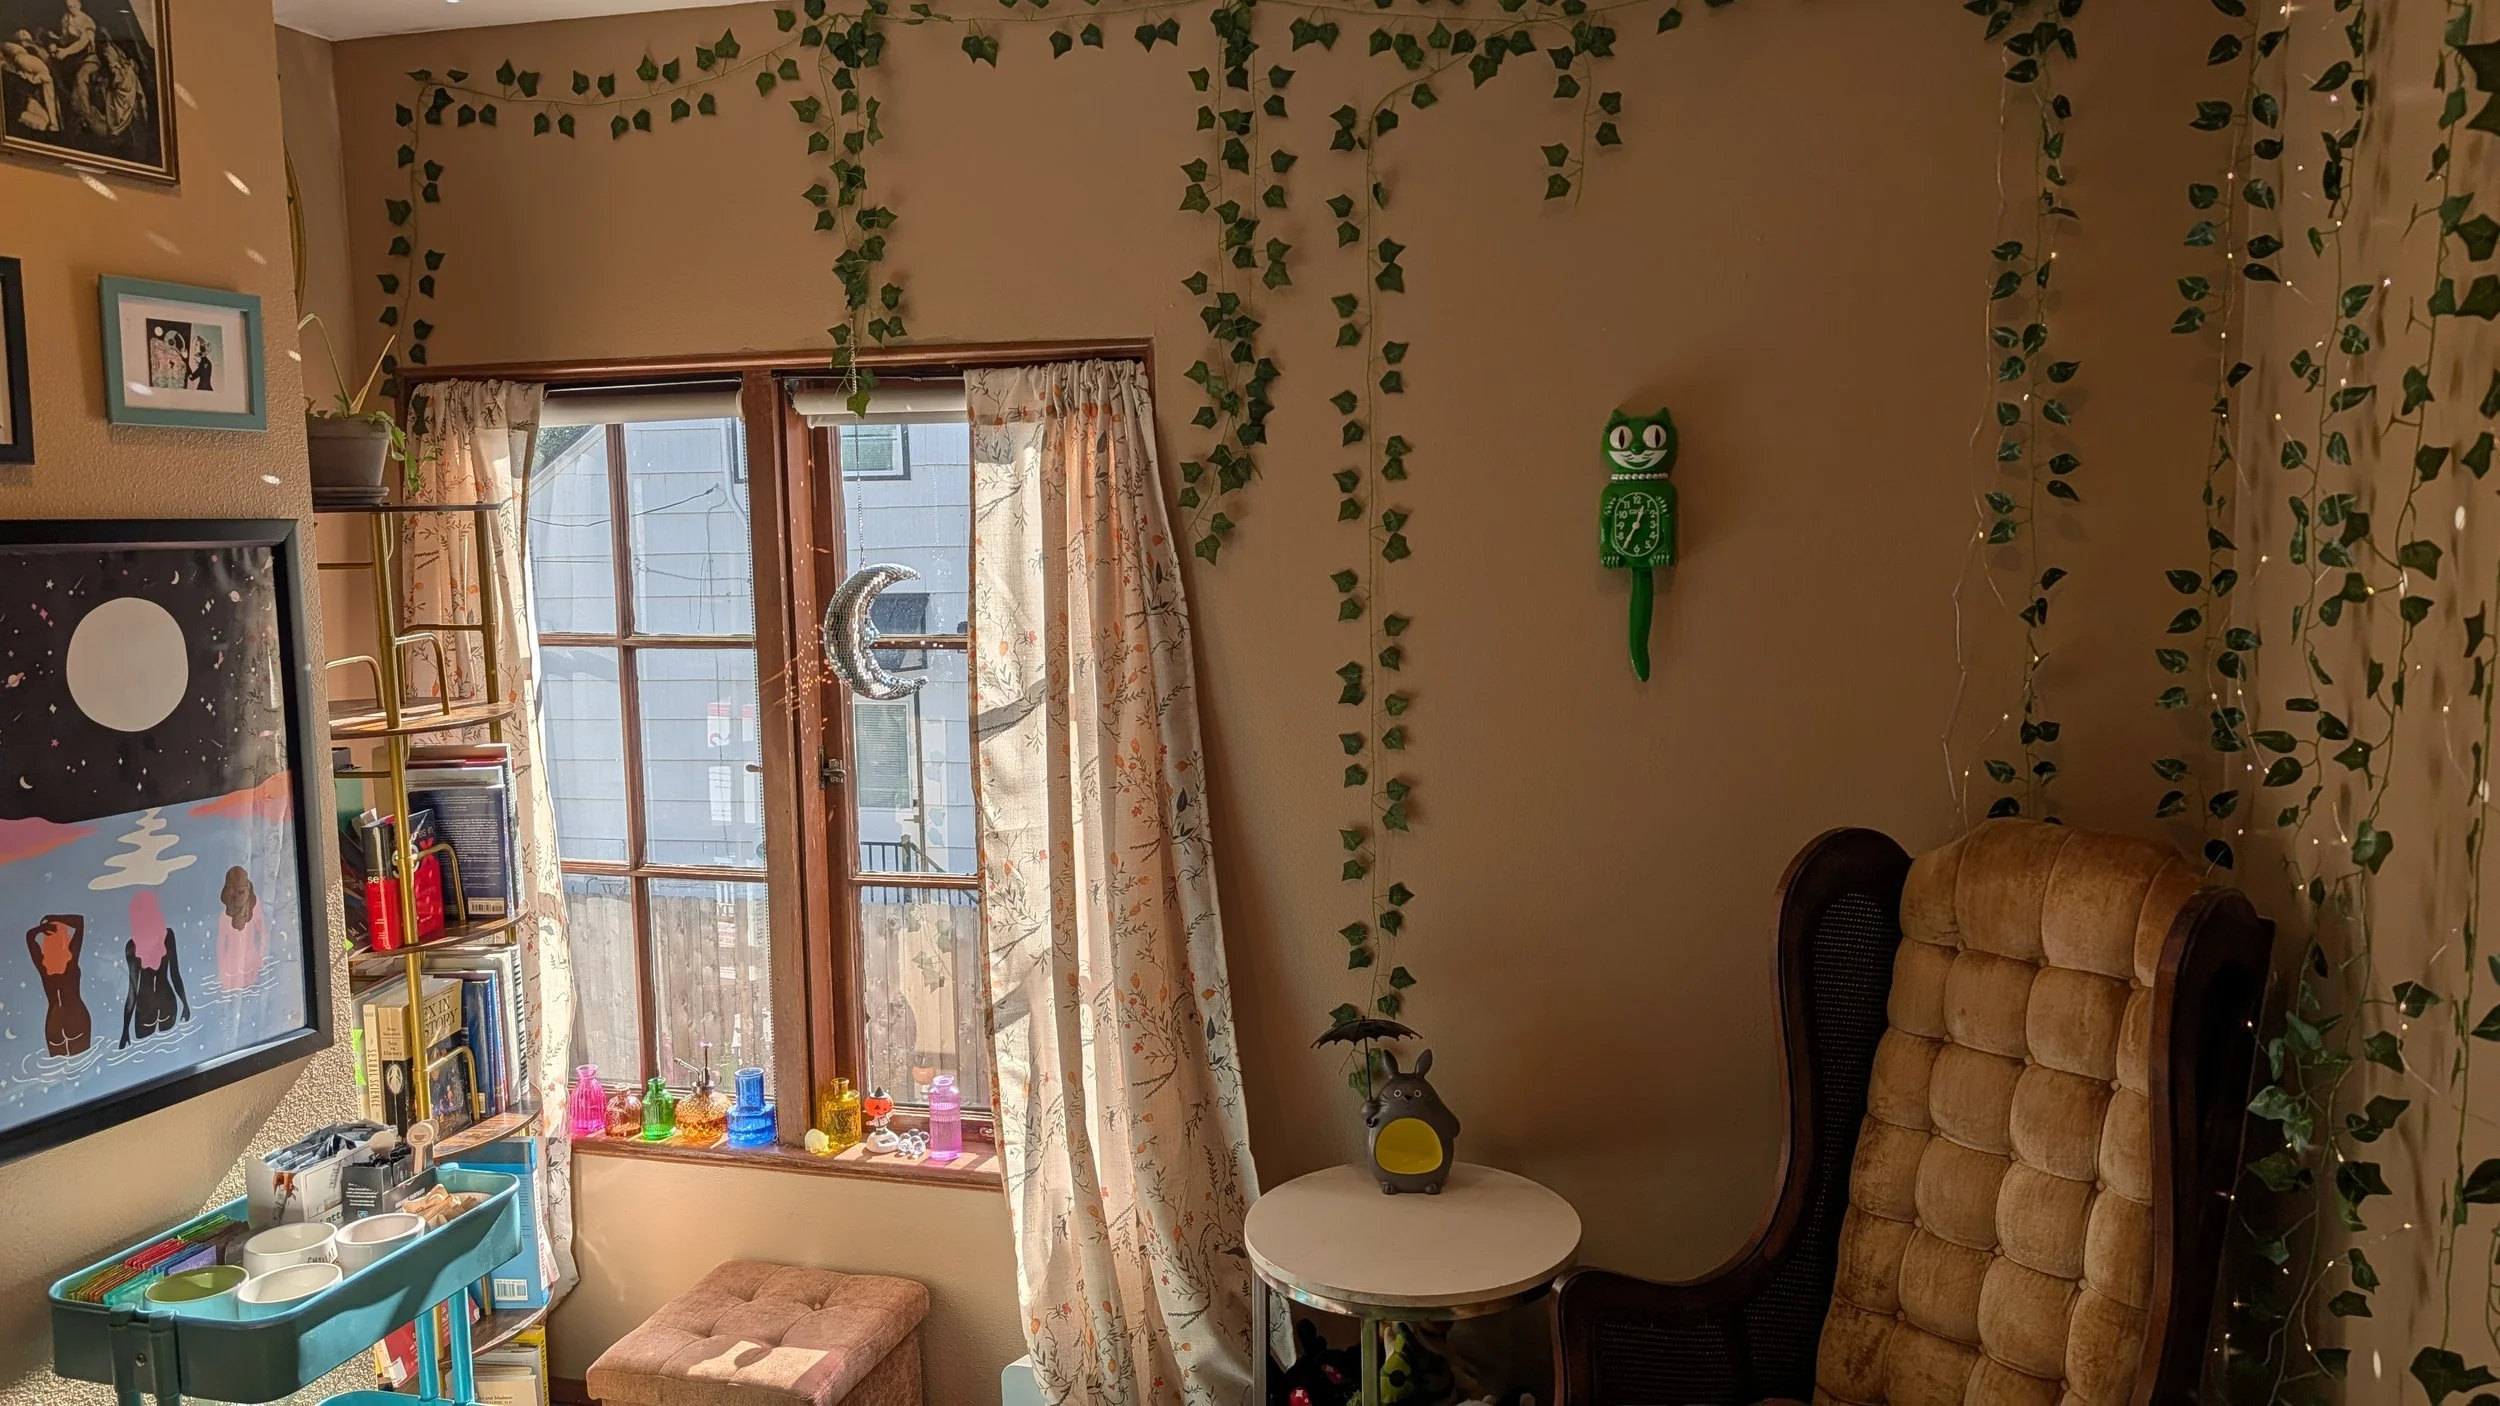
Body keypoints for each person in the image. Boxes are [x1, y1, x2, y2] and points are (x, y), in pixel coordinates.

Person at [120, 889, 189, 1048]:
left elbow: (133, 991)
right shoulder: (167, 936)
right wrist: (185, 1003)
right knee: (171, 1053)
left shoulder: (133, 946)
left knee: (149, 1058)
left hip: (146, 1010)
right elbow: (175, 975)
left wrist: (125, 1030)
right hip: (167, 1004)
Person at [25, 914, 92, 1058]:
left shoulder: (44, 967)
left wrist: (43, 928)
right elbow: (79, 921)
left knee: (58, 1075)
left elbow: (29, 936)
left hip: (54, 1023)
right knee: (84, 1069)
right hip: (76, 1017)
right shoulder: (71, 962)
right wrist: (56, 919)